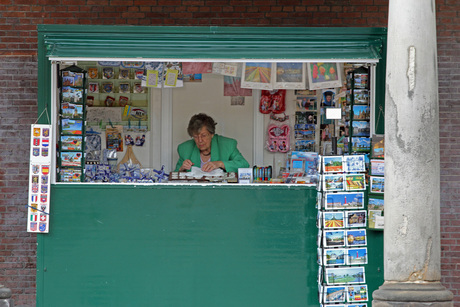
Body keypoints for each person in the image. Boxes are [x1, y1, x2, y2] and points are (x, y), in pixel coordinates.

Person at [175, 113, 249, 173]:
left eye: (203, 135)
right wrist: (182, 169)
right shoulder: (184, 148)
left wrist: (220, 164)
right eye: (196, 136)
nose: (200, 140)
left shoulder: (228, 145)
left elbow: (244, 165)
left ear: (212, 134)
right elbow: (174, 176)